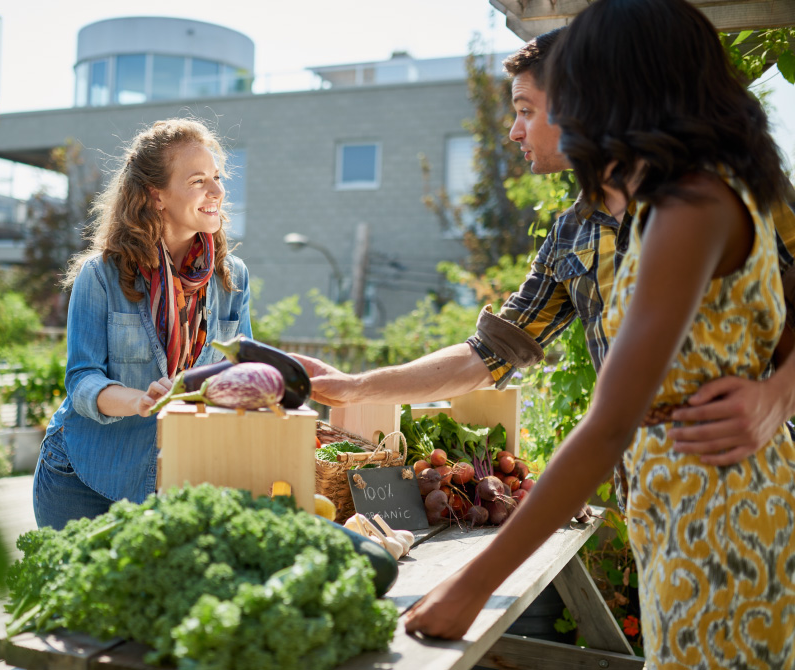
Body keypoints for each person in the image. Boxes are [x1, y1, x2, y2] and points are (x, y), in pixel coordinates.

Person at [402, 2, 795, 667]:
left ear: (622, 87)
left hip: (719, 514)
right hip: (690, 503)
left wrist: (469, 588)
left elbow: (611, 421)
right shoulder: (679, 199)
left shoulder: (687, 207)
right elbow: (502, 350)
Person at [293, 28, 795, 468]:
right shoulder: (570, 235)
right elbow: (488, 354)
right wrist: (354, 387)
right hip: (645, 490)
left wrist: (778, 395)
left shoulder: (721, 198)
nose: (514, 131)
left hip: (752, 481)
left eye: (525, 110)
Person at [33, 118, 252, 530]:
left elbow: (242, 370)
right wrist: (139, 400)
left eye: (218, 178)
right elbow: (82, 380)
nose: (218, 192)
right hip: (85, 478)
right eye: (198, 180)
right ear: (156, 195)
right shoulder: (100, 276)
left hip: (181, 480)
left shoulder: (231, 278)